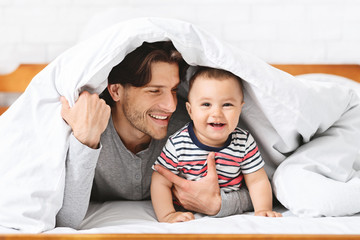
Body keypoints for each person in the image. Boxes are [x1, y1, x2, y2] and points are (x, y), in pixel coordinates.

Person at [56, 42, 253, 229]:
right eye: (154, 91)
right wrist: (87, 140)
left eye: (174, 90)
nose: (171, 105)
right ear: (116, 91)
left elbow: (259, 186)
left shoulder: (192, 127)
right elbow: (67, 220)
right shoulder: (92, 126)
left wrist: (218, 204)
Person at [151, 67, 282, 223]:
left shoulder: (243, 141)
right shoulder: (179, 143)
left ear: (240, 108)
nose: (217, 113)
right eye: (206, 104)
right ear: (190, 110)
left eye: (227, 105)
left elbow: (257, 180)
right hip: (186, 208)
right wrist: (167, 214)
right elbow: (160, 180)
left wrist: (263, 209)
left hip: (228, 205)